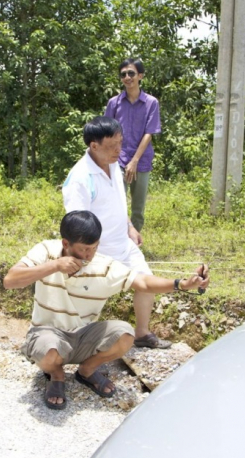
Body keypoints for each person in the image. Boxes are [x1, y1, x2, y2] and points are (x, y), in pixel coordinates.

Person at [3, 210, 209, 410]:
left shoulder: (104, 266)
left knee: (125, 334)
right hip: (47, 333)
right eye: (84, 249)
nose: (89, 255)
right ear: (66, 244)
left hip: (83, 337)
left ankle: (86, 370)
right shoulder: (46, 251)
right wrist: (55, 266)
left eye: (94, 247)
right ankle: (56, 375)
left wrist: (181, 284)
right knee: (49, 351)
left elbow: (143, 282)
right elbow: (10, 280)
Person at [63, 116, 170, 349]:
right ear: (94, 146)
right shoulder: (80, 178)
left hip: (123, 243)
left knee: (147, 283)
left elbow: (118, 202)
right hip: (97, 253)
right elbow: (77, 225)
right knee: (87, 304)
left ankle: (141, 333)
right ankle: (75, 345)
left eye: (121, 143)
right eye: (113, 146)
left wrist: (130, 226)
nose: (119, 150)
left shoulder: (113, 164)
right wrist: (84, 257)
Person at [104, 57, 161, 232]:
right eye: (123, 74)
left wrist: (134, 161)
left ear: (140, 76)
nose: (127, 77)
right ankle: (116, 241)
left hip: (141, 162)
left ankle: (134, 245)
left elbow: (149, 132)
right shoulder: (114, 103)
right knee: (115, 204)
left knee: (138, 208)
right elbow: (106, 131)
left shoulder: (151, 103)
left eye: (131, 73)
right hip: (117, 161)